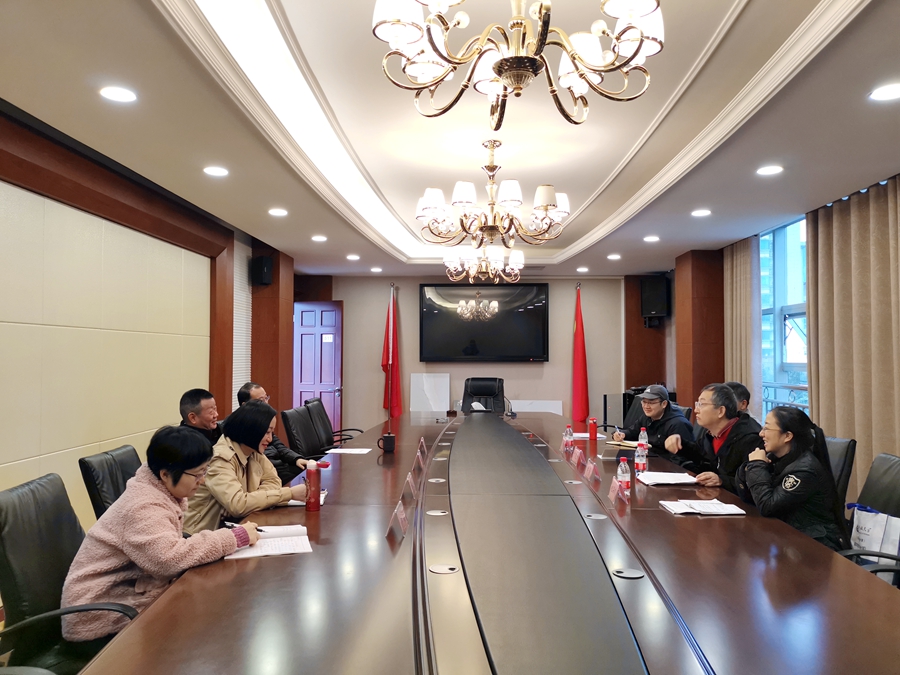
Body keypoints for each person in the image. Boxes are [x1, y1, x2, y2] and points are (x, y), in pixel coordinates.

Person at [61, 426, 259, 642]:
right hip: (98, 612)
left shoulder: (160, 491)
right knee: (210, 625)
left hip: (128, 595)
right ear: (165, 474)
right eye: (197, 474)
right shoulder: (142, 506)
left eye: (205, 471)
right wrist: (234, 537)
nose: (202, 480)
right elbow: (167, 559)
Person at [184, 399, 308, 533]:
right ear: (252, 429)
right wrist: (289, 493)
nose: (270, 439)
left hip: (235, 525)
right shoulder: (220, 459)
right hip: (203, 534)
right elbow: (238, 505)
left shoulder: (252, 449)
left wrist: (250, 499)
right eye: (267, 432)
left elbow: (273, 481)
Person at [736, 406, 847, 550]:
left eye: (767, 428)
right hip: (787, 537)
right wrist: (749, 467)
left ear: (787, 436)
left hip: (815, 545)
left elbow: (767, 506)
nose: (761, 433)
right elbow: (748, 496)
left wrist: (756, 466)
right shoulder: (777, 458)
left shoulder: (804, 470)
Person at [664, 383, 762, 491]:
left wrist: (722, 481)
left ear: (721, 411)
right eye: (697, 404)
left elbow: (754, 482)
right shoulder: (713, 433)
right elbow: (700, 454)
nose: (696, 410)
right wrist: (680, 444)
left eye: (702, 404)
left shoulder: (749, 438)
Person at [236, 381, 307, 484]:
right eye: (261, 400)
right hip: (265, 471)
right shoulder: (239, 428)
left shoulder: (263, 421)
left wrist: (296, 459)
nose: (266, 403)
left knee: (309, 471)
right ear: (245, 405)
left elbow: (279, 446)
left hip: (280, 465)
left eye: (266, 398)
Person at [611, 385, 693, 453]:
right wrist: (622, 434)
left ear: (664, 404)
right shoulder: (647, 417)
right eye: (644, 402)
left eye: (651, 402)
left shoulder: (678, 424)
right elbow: (633, 432)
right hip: (648, 460)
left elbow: (681, 459)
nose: (646, 406)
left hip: (665, 465)